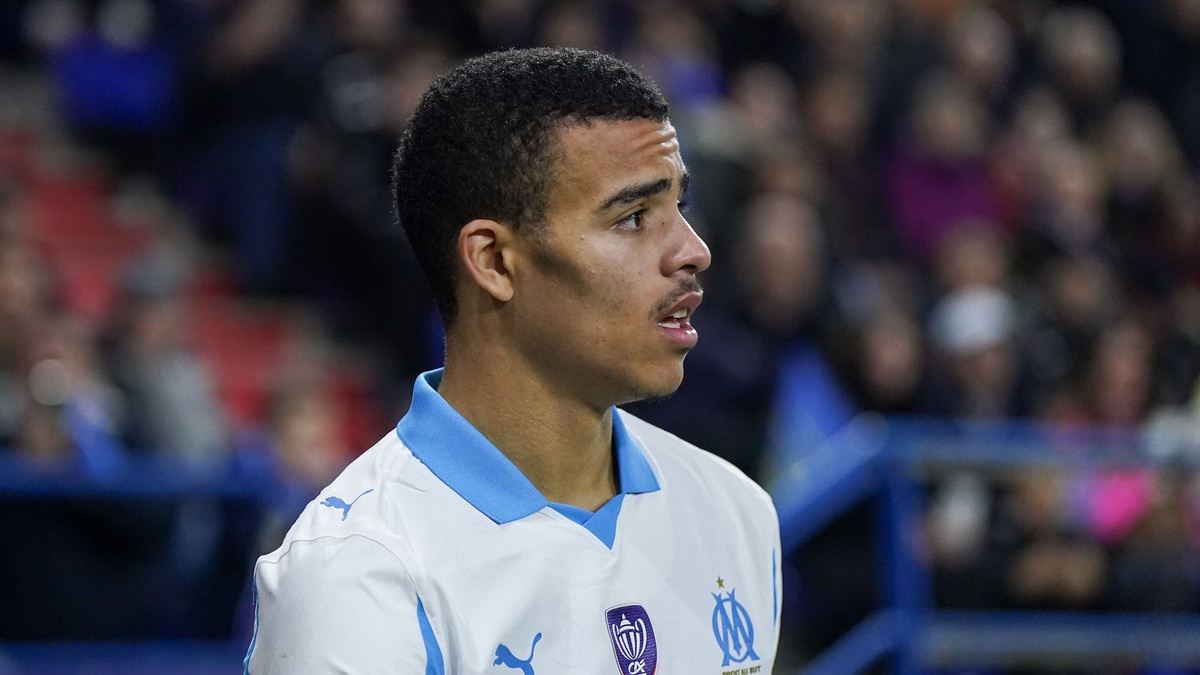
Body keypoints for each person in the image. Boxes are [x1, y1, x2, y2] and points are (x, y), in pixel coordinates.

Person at [244, 47, 781, 673]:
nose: (694, 251)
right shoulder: (357, 576)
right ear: (495, 261)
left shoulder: (735, 512)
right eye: (634, 218)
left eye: (679, 208)